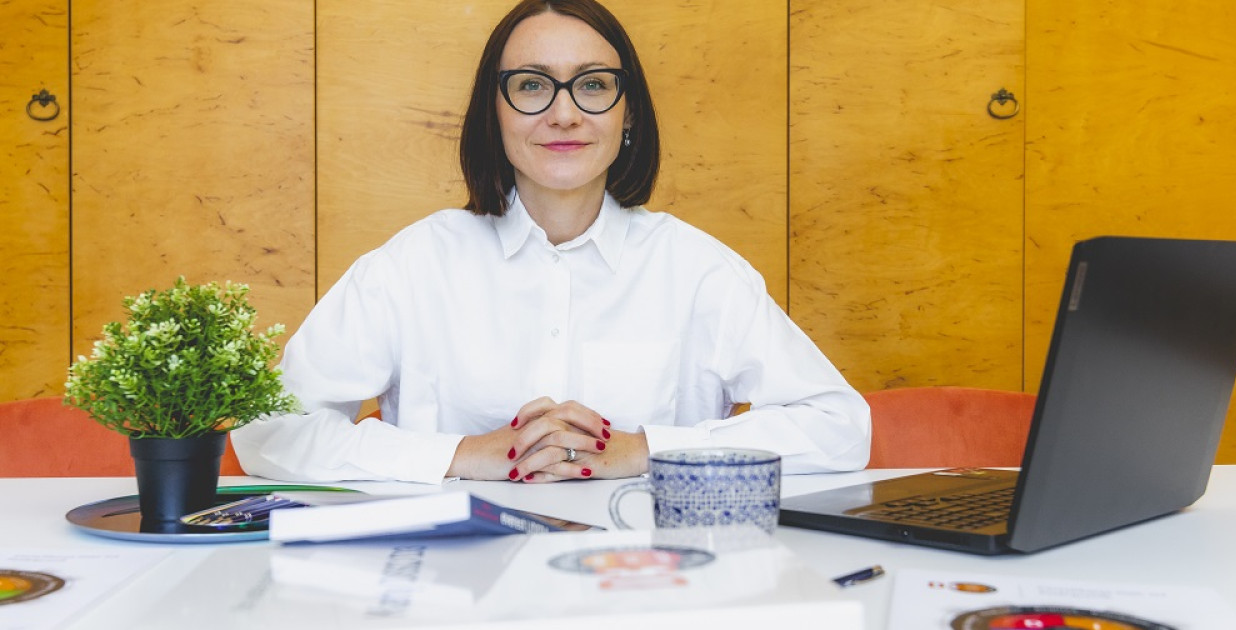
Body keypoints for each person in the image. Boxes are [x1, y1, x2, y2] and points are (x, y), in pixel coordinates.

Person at [231, 0, 870, 485]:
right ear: (495, 112)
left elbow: (840, 427)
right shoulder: (413, 266)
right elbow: (270, 432)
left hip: (650, 582)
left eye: (592, 84)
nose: (564, 113)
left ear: (628, 112)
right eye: (532, 85)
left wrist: (645, 450)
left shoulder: (698, 270)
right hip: (454, 584)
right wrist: (463, 454)